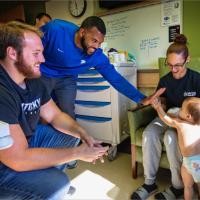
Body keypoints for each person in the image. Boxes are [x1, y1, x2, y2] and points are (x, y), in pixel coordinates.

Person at [0, 21, 109, 199]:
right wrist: (78, 153)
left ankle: (41, 180)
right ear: (12, 53)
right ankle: (42, 186)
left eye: (42, 53)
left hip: (24, 142)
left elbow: (55, 115)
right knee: (59, 185)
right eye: (36, 54)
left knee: (70, 135)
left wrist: (83, 134)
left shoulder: (32, 79)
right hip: (5, 163)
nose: (42, 60)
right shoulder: (2, 92)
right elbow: (16, 158)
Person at [40, 16, 160, 119]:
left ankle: (70, 143)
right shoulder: (56, 29)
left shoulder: (96, 56)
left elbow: (116, 79)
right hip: (44, 73)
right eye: (94, 41)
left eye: (100, 43)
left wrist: (142, 99)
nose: (97, 46)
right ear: (82, 33)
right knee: (38, 111)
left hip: (67, 79)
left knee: (68, 113)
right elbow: (30, 44)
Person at [131, 34, 200, 200]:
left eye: (178, 65)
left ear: (187, 60)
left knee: (171, 137)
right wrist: (157, 104)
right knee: (148, 133)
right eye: (169, 65)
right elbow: (161, 103)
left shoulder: (196, 79)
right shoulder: (165, 80)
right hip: (167, 115)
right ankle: (149, 183)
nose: (173, 69)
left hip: (186, 120)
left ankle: (177, 186)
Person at [152, 97, 200, 200]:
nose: (179, 111)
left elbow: (166, 118)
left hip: (188, 162)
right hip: (196, 161)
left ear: (188, 116)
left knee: (188, 186)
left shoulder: (181, 124)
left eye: (181, 109)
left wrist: (158, 107)